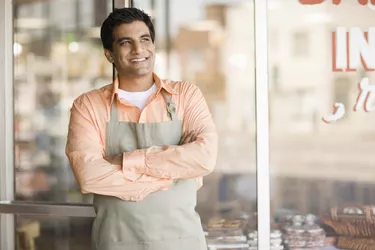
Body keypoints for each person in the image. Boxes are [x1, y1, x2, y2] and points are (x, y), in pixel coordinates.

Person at [65, 7, 218, 250]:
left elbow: (204, 158)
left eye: (144, 39)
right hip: (116, 242)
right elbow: (90, 177)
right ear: (109, 54)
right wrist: (170, 178)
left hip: (181, 241)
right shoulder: (88, 105)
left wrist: (127, 161)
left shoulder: (185, 95)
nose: (139, 50)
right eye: (126, 42)